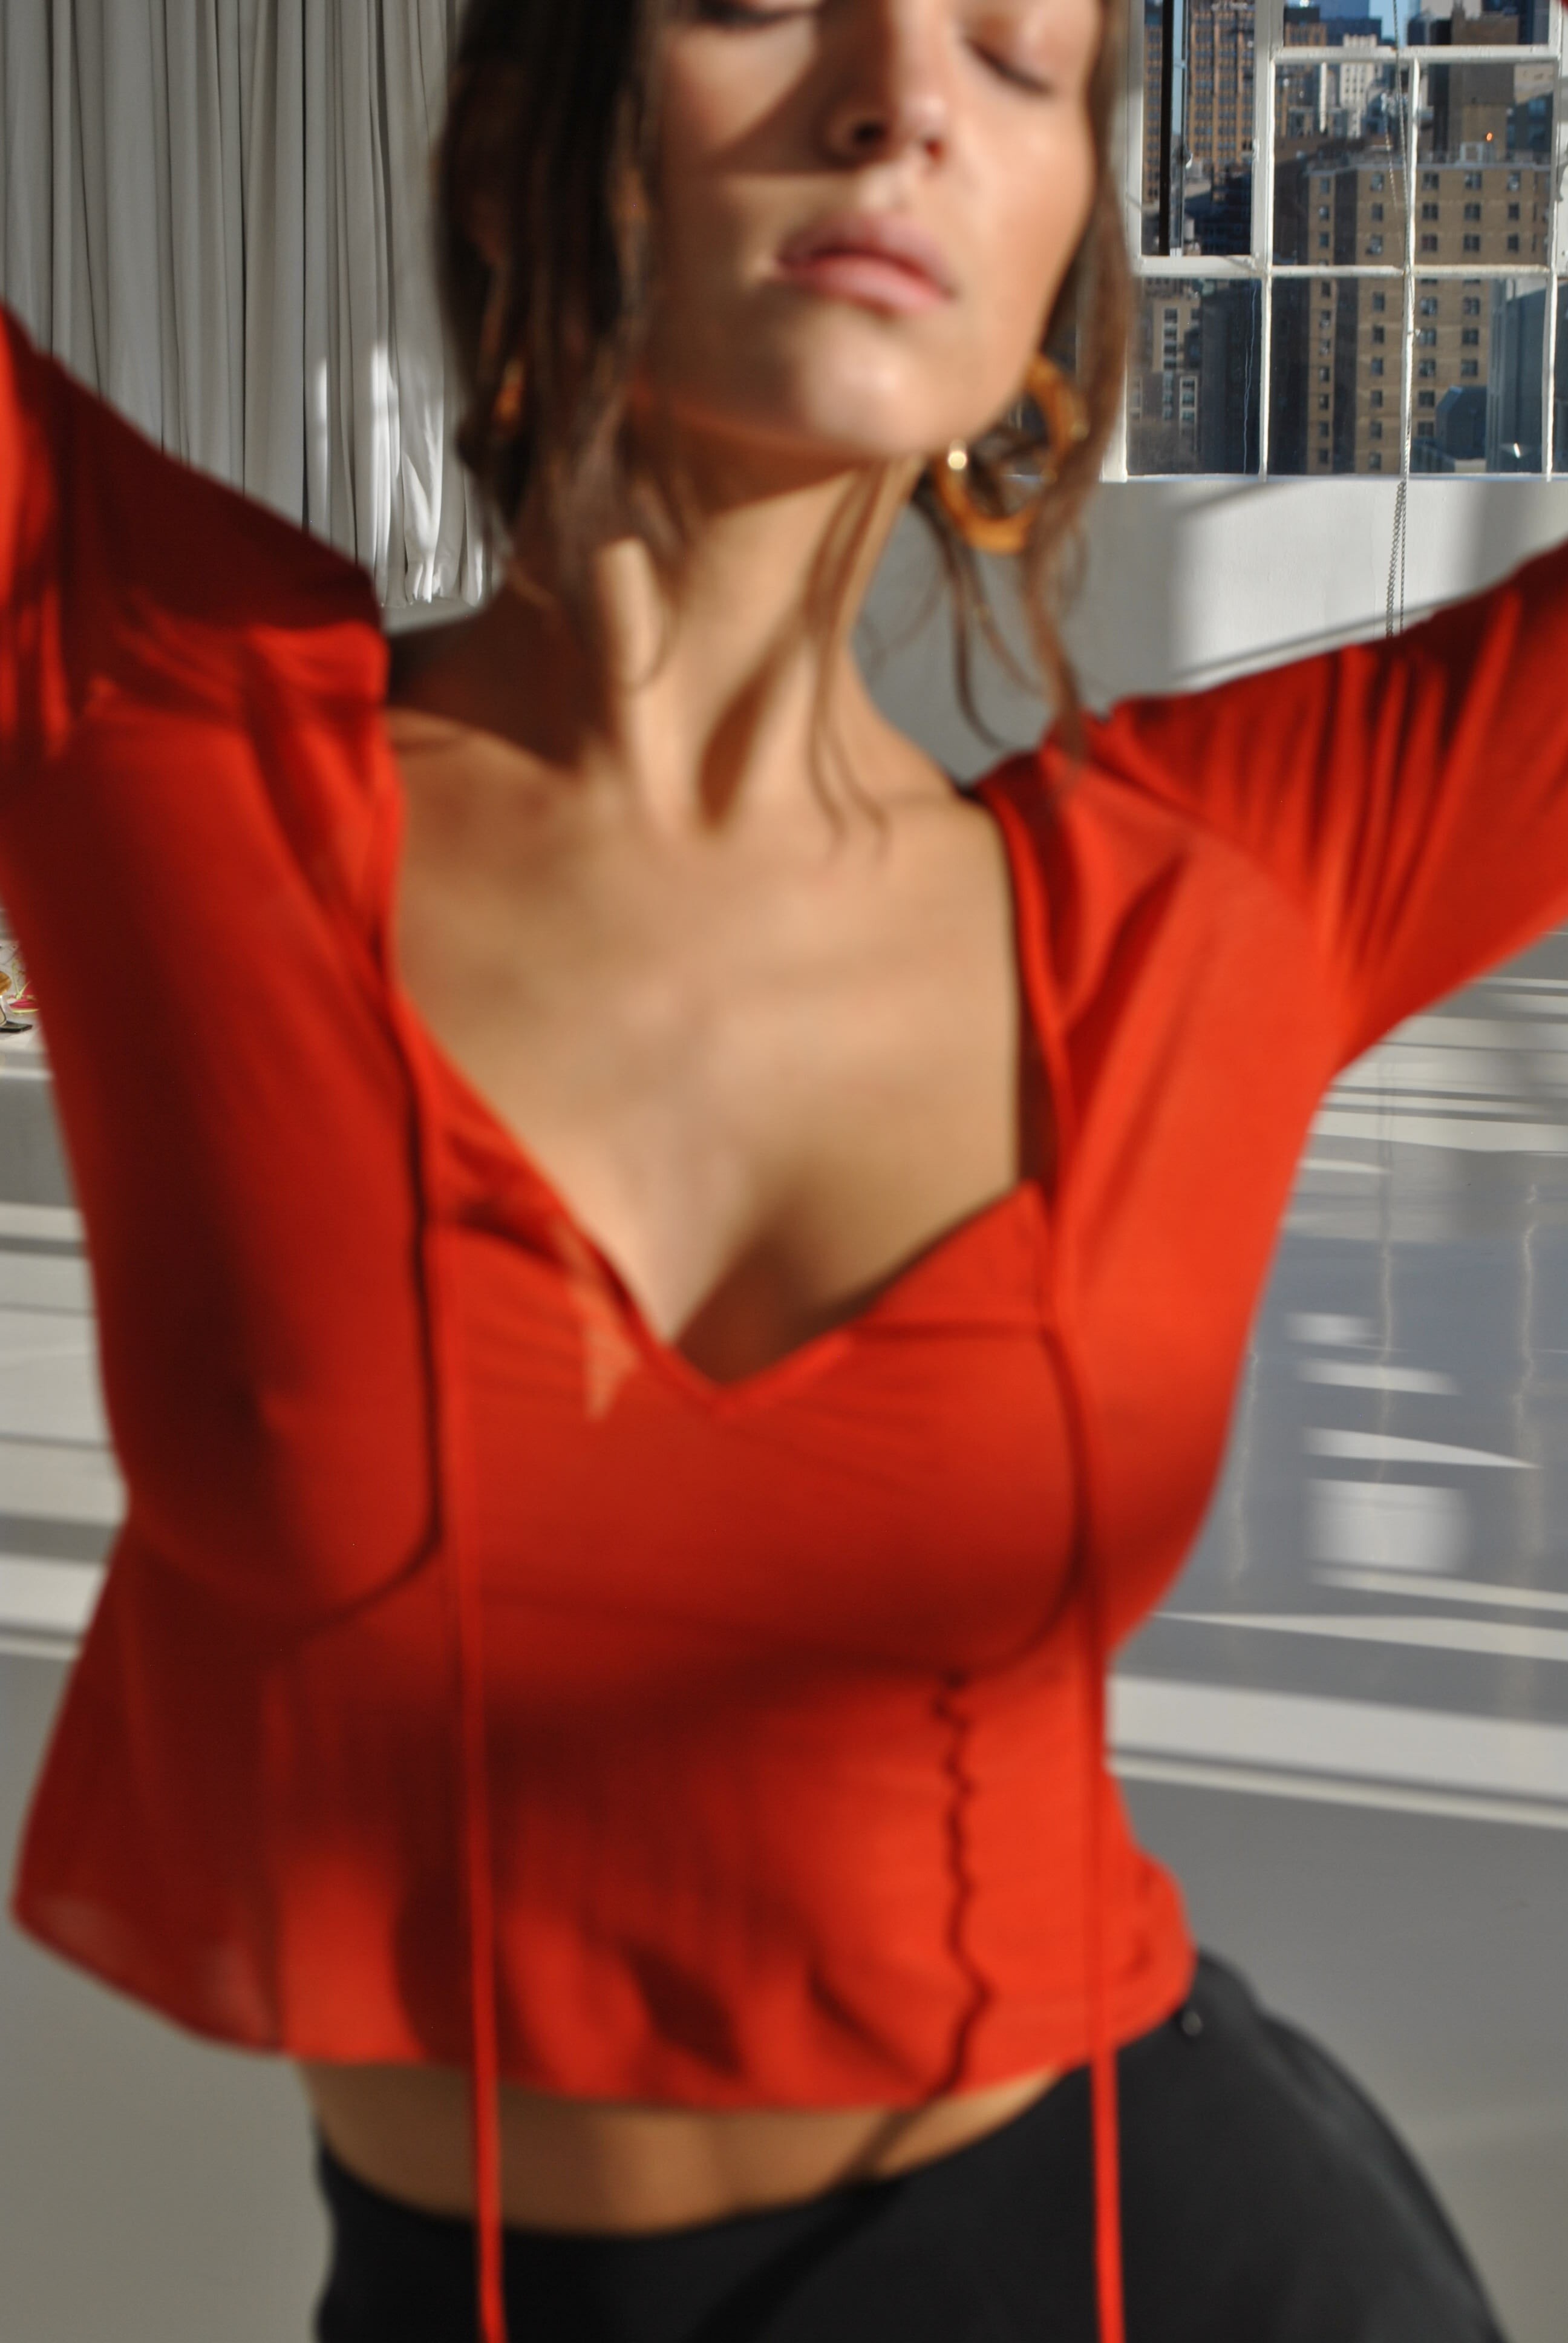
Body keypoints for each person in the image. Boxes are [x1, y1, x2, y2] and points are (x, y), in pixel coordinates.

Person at [1, 0, 1556, 2338]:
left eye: (1016, 57)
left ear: (1061, 263)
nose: (905, 95)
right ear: (527, 127)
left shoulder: (1223, 896)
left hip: (1148, 2265)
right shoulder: (161, 718)